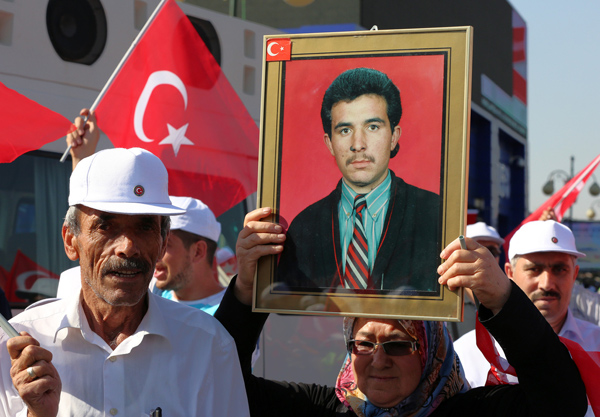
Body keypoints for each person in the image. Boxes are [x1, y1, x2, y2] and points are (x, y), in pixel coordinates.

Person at [212, 208, 587, 416]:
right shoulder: (325, 409)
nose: (378, 360)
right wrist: (248, 288)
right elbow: (220, 382)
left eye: (397, 345)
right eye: (362, 344)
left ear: (430, 351)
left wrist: (502, 297)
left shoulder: (470, 414)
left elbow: (561, 402)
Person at [0, 148, 249, 416]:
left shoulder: (208, 346)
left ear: (163, 242)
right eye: (106, 226)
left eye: (144, 227)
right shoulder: (17, 346)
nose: (128, 247)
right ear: (71, 241)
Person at [276, 68, 440, 293]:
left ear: (394, 136)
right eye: (345, 130)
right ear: (329, 143)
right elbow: (286, 314)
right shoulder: (304, 227)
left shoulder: (435, 215)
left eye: (373, 127)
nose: (358, 144)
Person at [454, 220, 600, 414]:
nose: (547, 284)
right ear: (509, 273)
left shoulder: (597, 344)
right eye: (534, 269)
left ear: (575, 274)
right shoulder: (464, 354)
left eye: (559, 269)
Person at [150, 196, 225, 314]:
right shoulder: (148, 301)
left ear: (198, 252)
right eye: (154, 242)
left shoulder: (231, 315)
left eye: (166, 244)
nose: (154, 254)